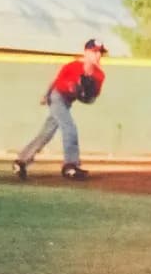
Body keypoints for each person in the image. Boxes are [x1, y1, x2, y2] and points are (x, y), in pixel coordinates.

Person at [14, 40, 107, 182]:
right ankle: (70, 166)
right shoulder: (72, 66)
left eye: (100, 52)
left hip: (67, 102)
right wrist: (46, 95)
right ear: (86, 52)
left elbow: (90, 100)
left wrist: (84, 95)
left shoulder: (99, 75)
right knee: (69, 127)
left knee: (46, 133)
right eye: (94, 51)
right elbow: (56, 81)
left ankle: (21, 161)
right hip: (57, 97)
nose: (98, 55)